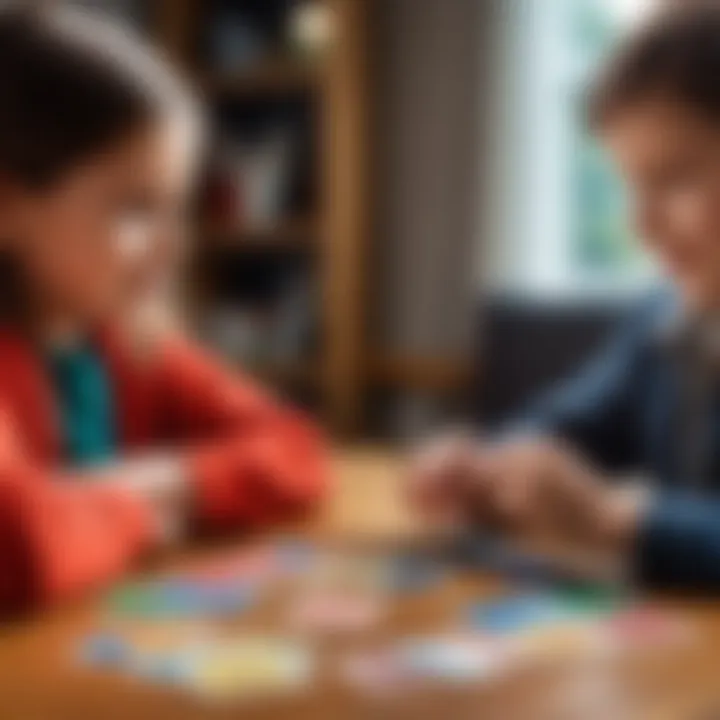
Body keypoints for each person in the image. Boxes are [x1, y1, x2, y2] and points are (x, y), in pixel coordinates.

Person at [0, 5, 327, 613]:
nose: (174, 247)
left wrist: (176, 483)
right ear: (9, 206)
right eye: (134, 209)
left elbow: (296, 447)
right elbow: (16, 545)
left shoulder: (126, 341)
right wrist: (137, 513)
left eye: (176, 209)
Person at [407, 2, 720, 590]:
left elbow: (614, 514)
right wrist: (484, 466)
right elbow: (569, 423)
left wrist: (619, 518)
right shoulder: (663, 321)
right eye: (632, 186)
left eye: (674, 178)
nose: (641, 224)